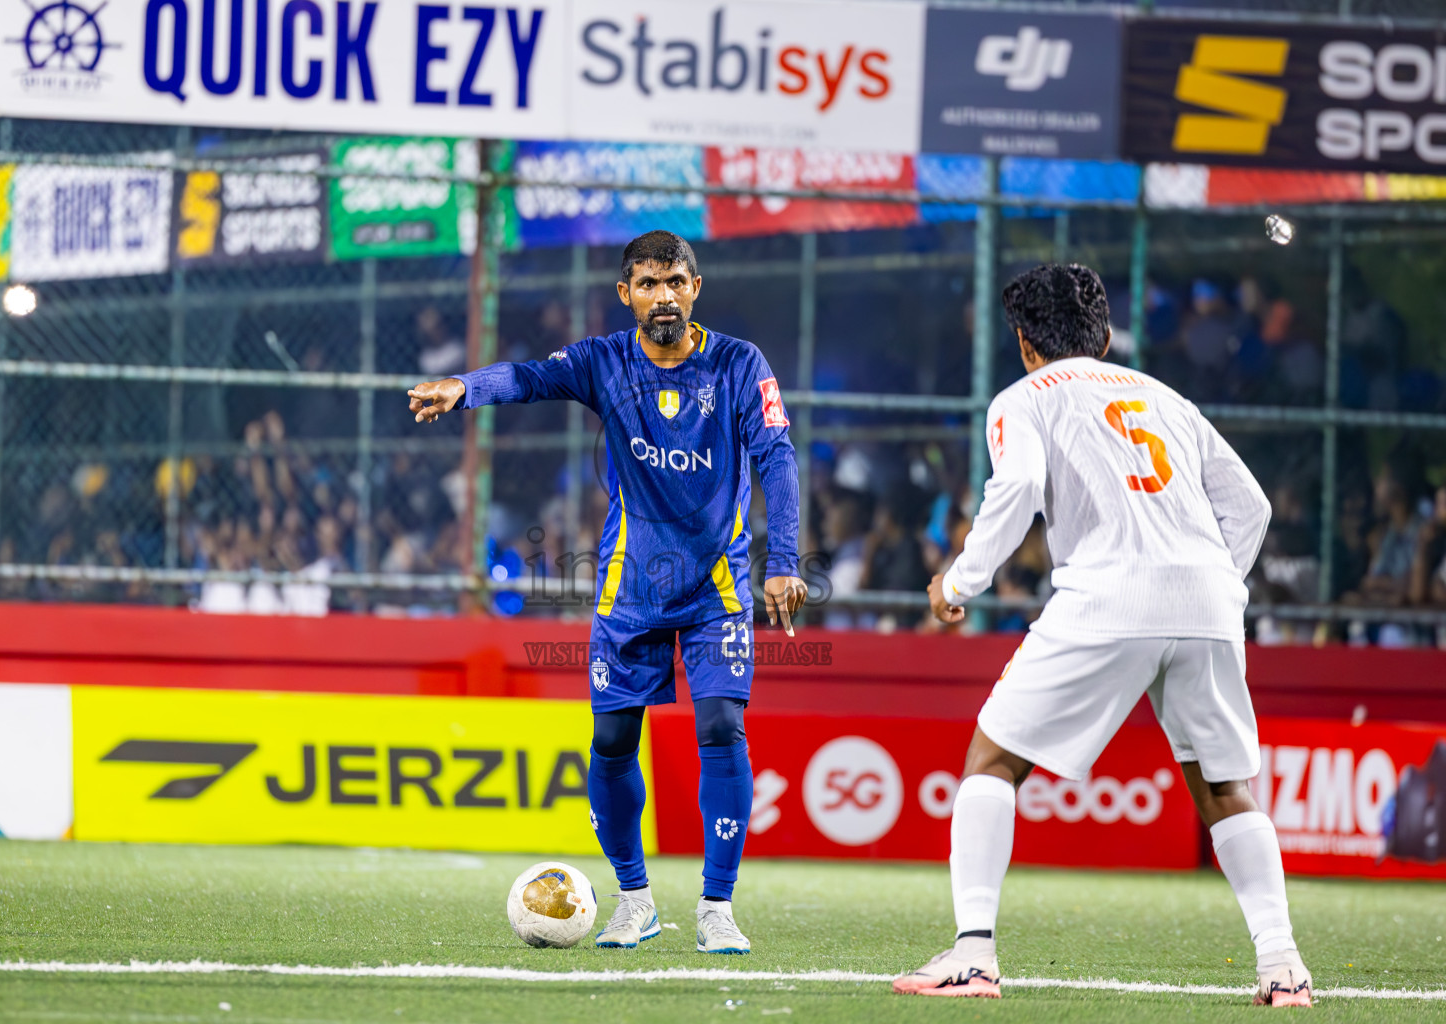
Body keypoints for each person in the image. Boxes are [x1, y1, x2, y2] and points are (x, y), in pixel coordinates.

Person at [896, 264, 1311, 1007]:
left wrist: (957, 584)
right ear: (1107, 336)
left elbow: (1017, 488)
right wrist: (1213, 588)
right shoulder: (1165, 397)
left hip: (1108, 594)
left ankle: (974, 956)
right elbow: (1251, 506)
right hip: (1210, 599)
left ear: (1025, 345)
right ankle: (1283, 969)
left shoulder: (1024, 398)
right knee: (1224, 787)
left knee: (992, 760)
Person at [406, 230, 806, 955]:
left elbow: (776, 456)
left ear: (696, 288)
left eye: (675, 281)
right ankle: (634, 901)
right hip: (631, 588)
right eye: (648, 284)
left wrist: (782, 558)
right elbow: (528, 377)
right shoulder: (604, 361)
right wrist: (465, 388)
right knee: (613, 739)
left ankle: (717, 907)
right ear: (626, 294)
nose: (664, 296)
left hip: (717, 588)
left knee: (722, 727)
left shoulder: (740, 365)